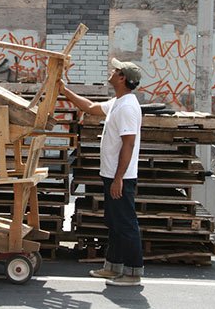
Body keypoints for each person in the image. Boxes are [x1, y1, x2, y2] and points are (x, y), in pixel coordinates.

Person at [60, 58, 144, 286]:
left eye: (115, 70)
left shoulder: (127, 107)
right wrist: (63, 90)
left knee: (126, 224)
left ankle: (133, 272)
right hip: (111, 174)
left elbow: (128, 145)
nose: (111, 71)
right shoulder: (119, 101)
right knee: (115, 222)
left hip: (121, 178)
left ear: (122, 77)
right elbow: (89, 107)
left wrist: (118, 179)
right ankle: (113, 266)